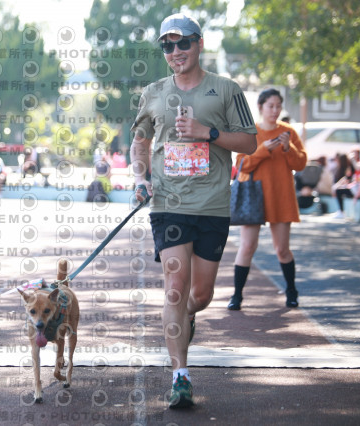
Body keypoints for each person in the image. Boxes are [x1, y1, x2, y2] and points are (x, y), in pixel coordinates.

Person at [131, 13, 257, 409]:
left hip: (212, 206)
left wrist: (208, 133)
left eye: (182, 42)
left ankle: (187, 315)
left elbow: (250, 143)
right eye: (167, 45)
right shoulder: (153, 92)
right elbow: (140, 141)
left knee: (199, 294)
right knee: (174, 286)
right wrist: (140, 178)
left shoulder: (226, 90)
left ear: (199, 44)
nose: (175, 51)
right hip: (168, 204)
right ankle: (180, 378)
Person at [228, 88, 307, 312]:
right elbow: (241, 164)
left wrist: (288, 147)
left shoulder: (288, 132)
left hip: (281, 196)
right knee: (247, 246)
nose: (275, 110)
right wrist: (262, 150)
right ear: (261, 107)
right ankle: (237, 295)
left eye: (278, 106)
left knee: (282, 249)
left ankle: (291, 291)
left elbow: (300, 164)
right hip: (253, 197)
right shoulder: (250, 132)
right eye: (270, 106)